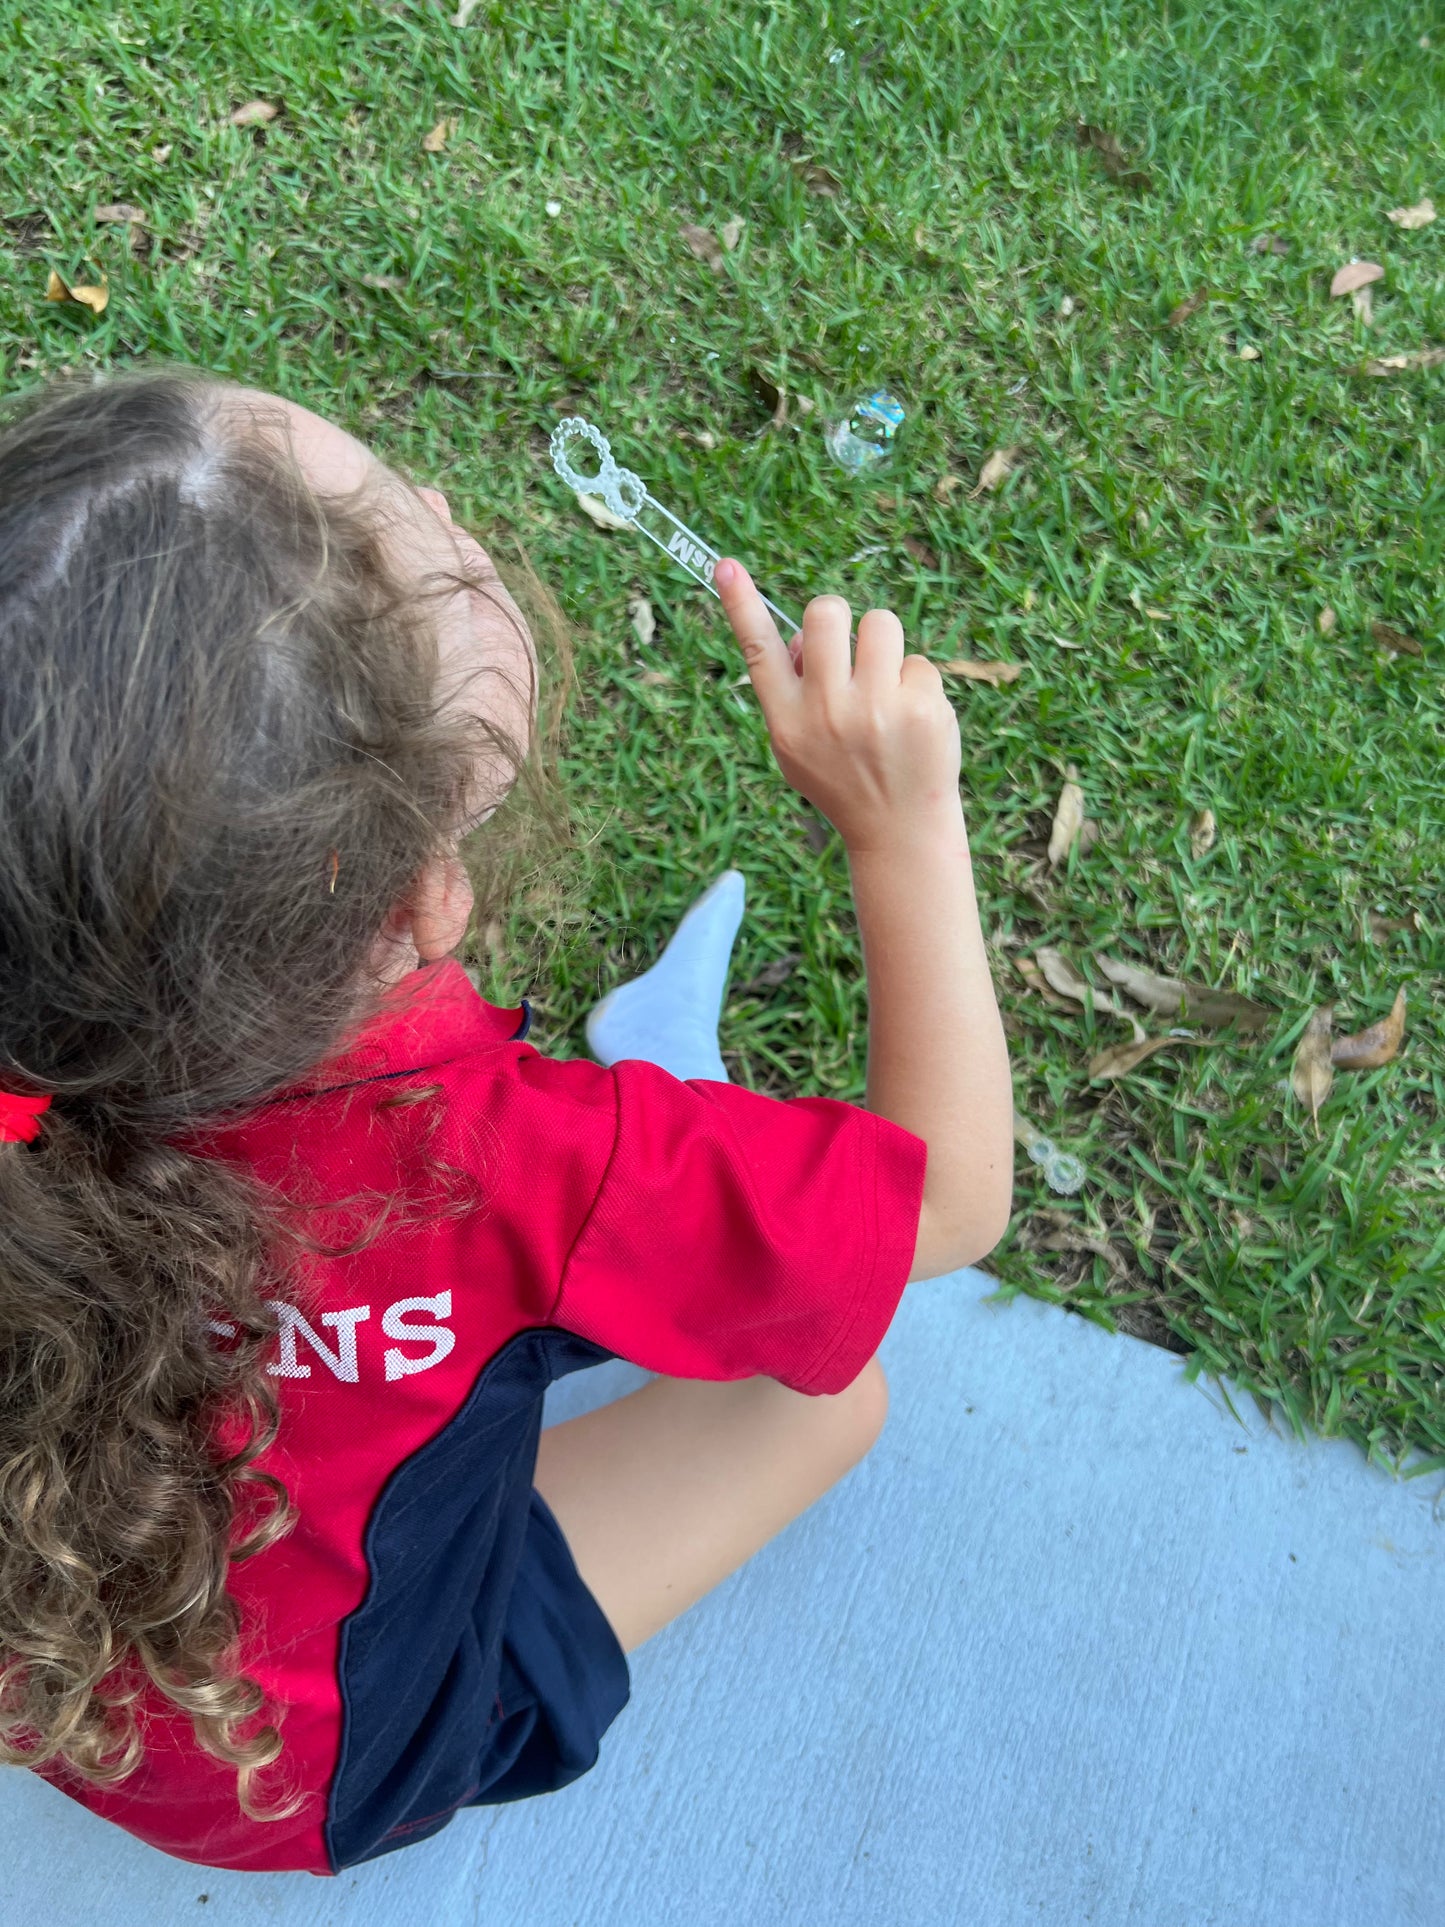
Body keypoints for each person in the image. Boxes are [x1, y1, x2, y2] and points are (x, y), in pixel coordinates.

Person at [0, 367, 1013, 1876]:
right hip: (317, 1765)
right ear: (425, 895)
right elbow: (940, 1213)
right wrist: (903, 830)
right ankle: (673, 1102)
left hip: (60, 1682)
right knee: (829, 1383)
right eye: (436, 543)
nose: (458, 513)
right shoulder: (518, 1162)